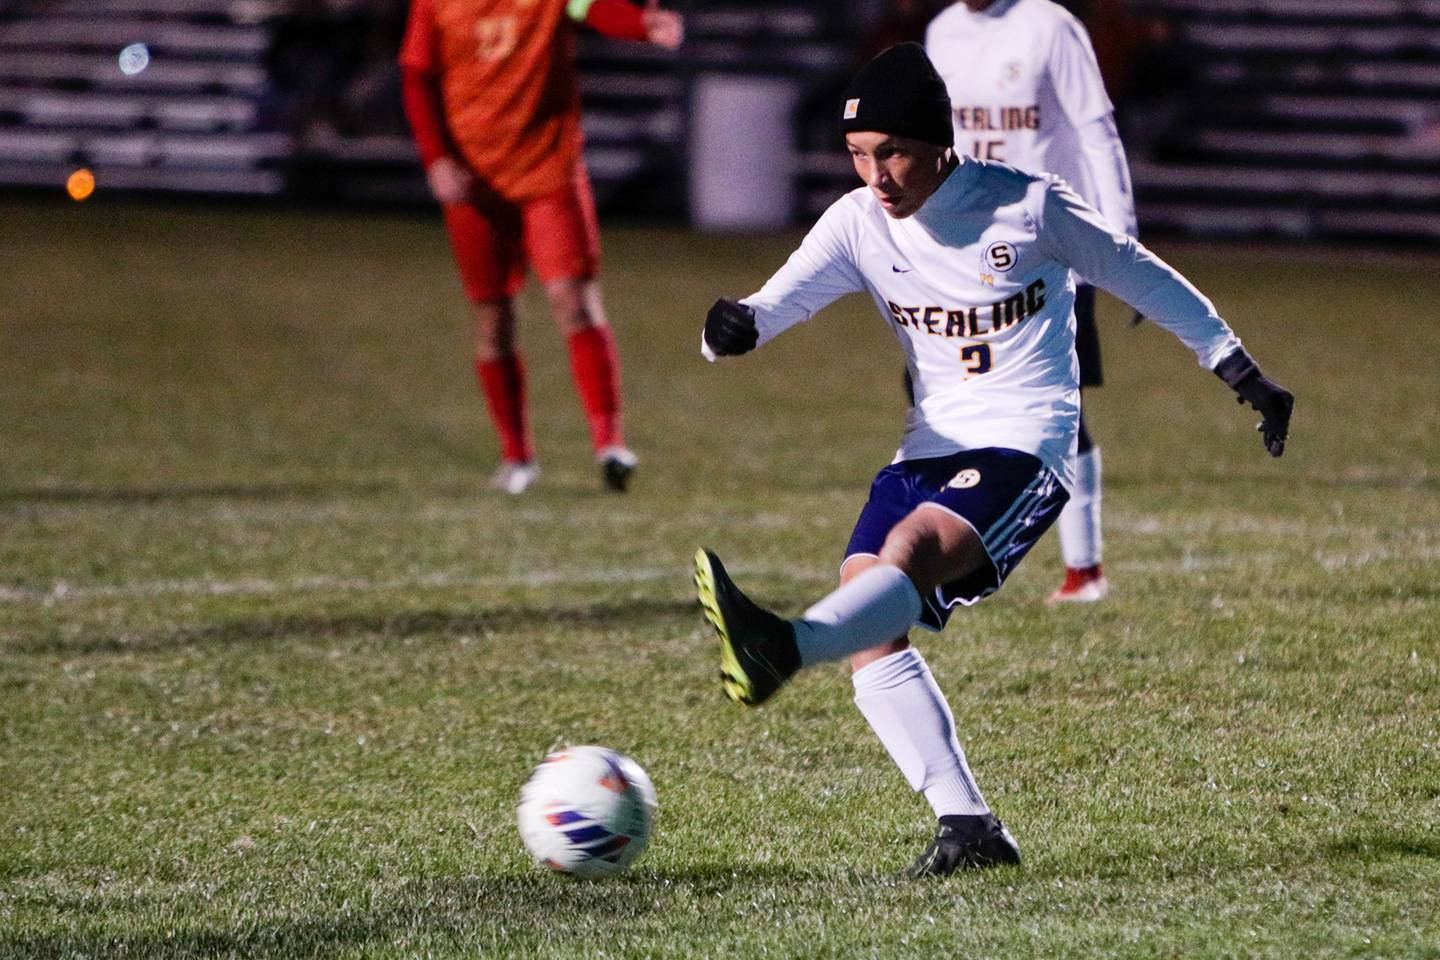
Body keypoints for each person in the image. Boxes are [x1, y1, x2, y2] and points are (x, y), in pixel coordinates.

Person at [692, 43, 1293, 877]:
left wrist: (1238, 368)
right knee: (869, 610)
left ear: (942, 142)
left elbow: (1137, 274)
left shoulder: (1026, 207)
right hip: (926, 447)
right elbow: (767, 307)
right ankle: (968, 827)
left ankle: (783, 649)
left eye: (893, 151)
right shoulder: (856, 222)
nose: (878, 175)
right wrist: (728, 331)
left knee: (901, 562)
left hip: (1025, 444)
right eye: (860, 156)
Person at [398, 0, 683, 494]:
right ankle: (516, 457)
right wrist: (436, 159)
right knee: (493, 321)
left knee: (574, 302)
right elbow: (417, 76)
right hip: (475, 179)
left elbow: (594, 9)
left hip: (548, 170)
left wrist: (641, 25)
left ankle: (610, 444)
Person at [925, 0, 1138, 601]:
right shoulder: (942, 31)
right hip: (966, 246)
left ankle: (1084, 568)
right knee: (949, 397)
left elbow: (1097, 131)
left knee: (1055, 406)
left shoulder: (1049, 24)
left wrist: (1121, 242)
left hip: (1048, 245)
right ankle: (962, 551)